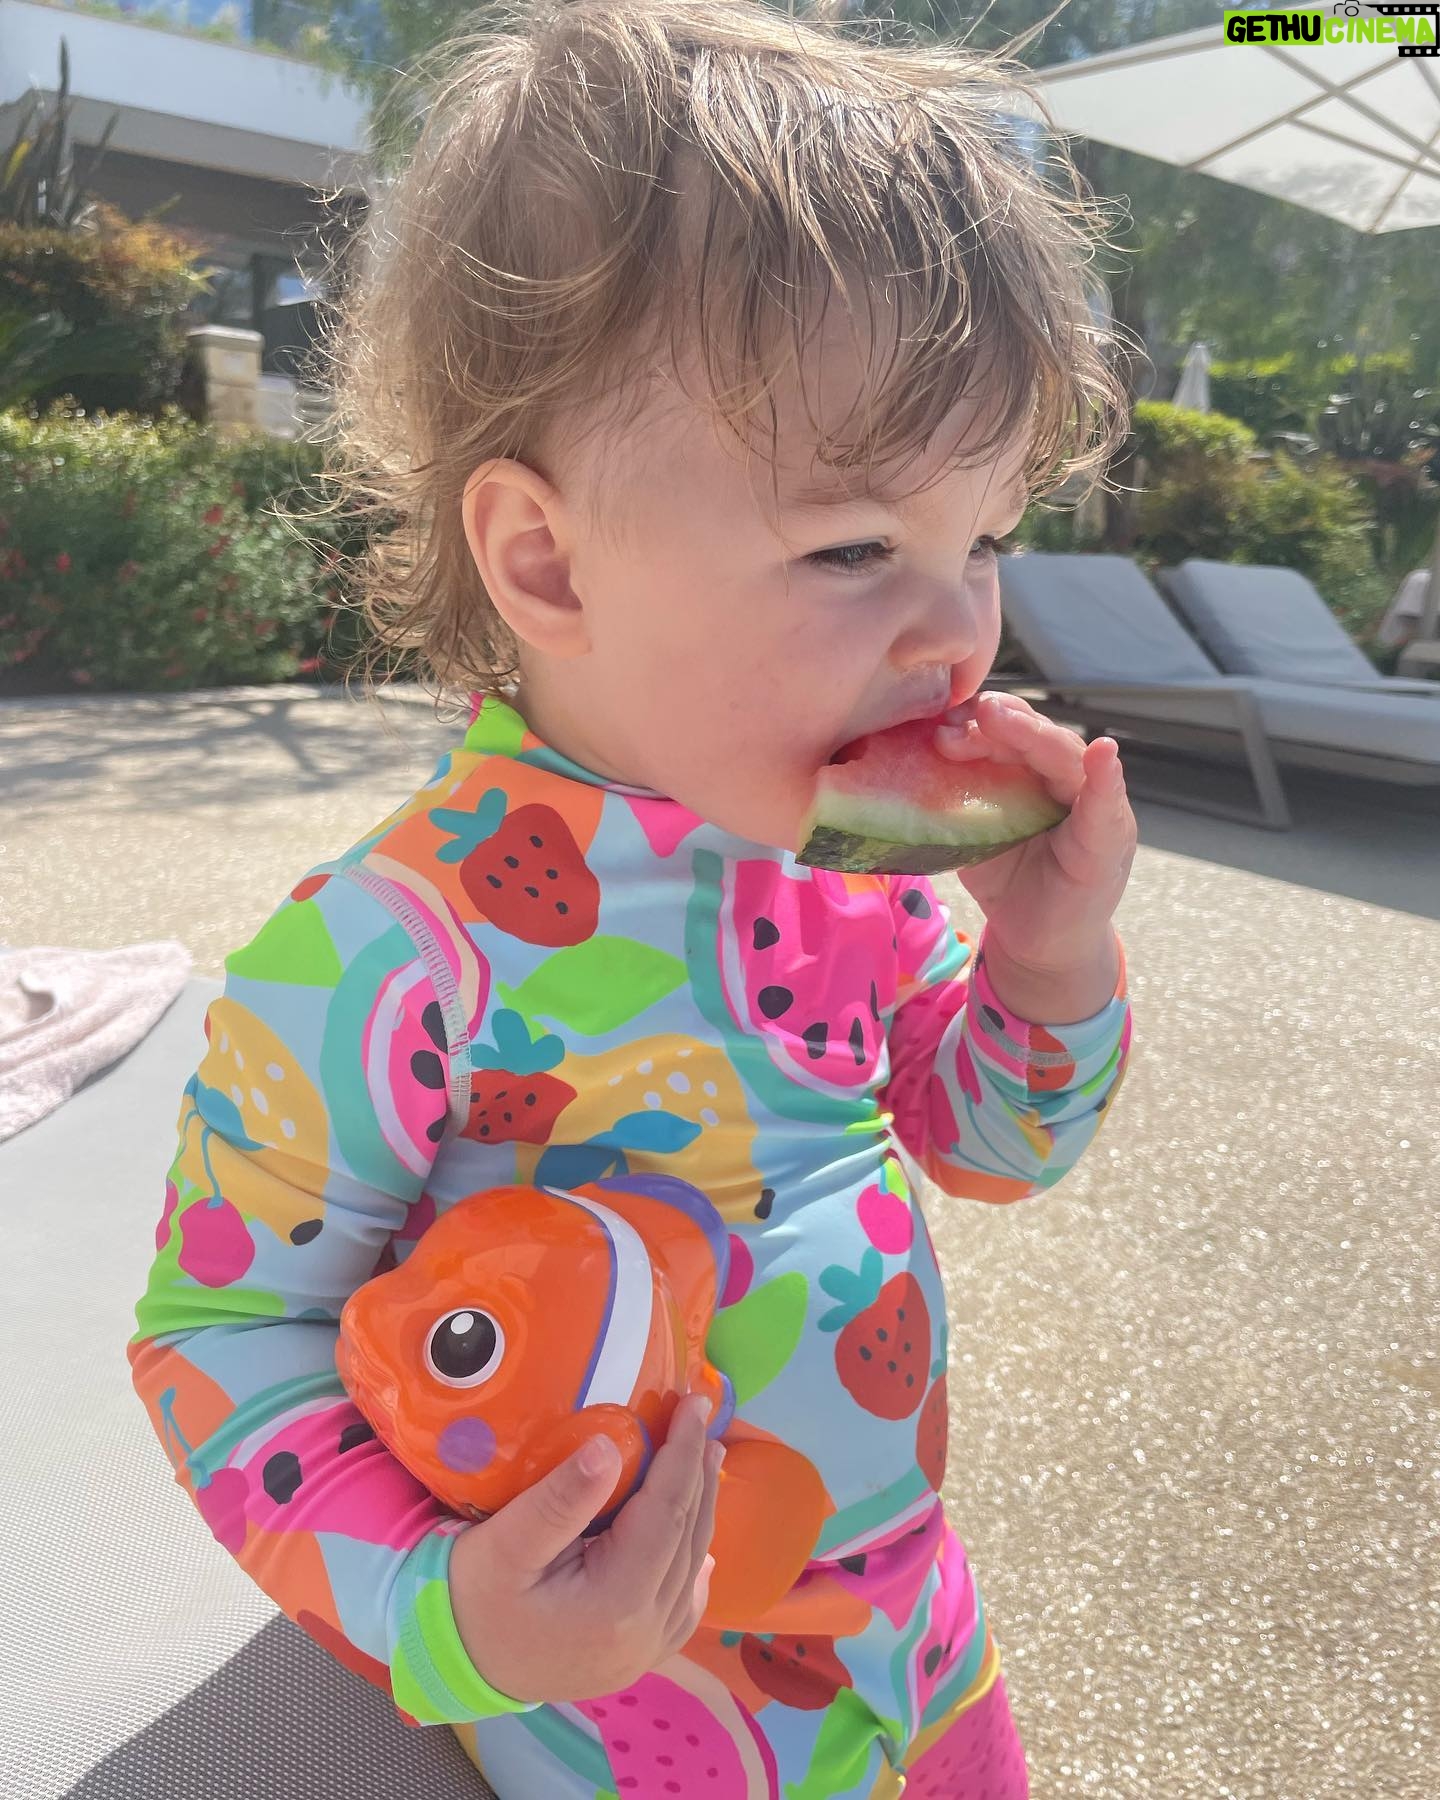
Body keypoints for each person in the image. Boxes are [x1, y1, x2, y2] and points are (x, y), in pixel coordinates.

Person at [129, 2, 1138, 1794]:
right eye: (856, 546)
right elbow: (219, 1340)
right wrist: (444, 1611)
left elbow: (991, 1147)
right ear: (545, 560)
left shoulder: (840, 871)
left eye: (983, 538)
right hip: (633, 1718)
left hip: (918, 1636)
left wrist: (1049, 961)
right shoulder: (389, 955)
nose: (957, 632)